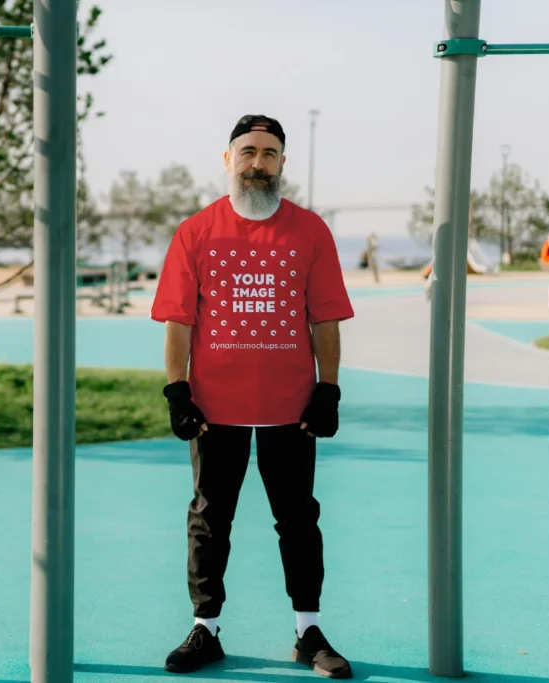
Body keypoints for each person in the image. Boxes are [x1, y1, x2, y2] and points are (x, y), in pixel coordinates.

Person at [150, 114, 355, 678]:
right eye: (248, 152)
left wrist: (328, 390)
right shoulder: (196, 232)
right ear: (228, 160)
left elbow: (327, 319)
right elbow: (177, 321)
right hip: (217, 412)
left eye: (269, 152)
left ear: (283, 162)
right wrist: (177, 391)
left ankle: (308, 631)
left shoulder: (310, 231)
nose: (258, 163)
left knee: (298, 520)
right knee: (210, 519)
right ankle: (205, 629)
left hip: (291, 410)